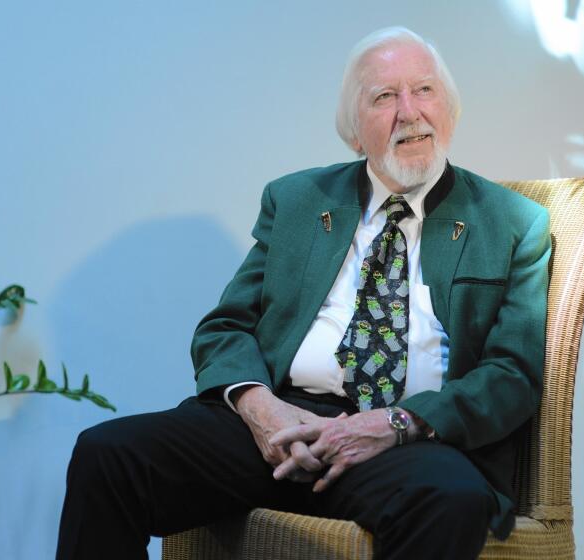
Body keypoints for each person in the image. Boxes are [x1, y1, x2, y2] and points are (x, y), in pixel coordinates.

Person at [56, 26, 550, 560]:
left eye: (424, 90)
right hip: (279, 425)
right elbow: (225, 329)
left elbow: (512, 375)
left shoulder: (511, 223)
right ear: (354, 132)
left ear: (449, 110)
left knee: (450, 500)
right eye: (385, 97)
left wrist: (396, 423)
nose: (409, 111)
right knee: (108, 456)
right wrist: (260, 409)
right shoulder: (297, 200)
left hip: (404, 437)